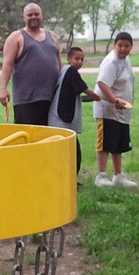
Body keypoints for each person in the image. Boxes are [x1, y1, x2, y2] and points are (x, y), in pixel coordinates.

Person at [0, 2, 61, 125]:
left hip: (52, 98)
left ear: (42, 16)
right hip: (27, 100)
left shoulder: (52, 36)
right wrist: (3, 88)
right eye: (30, 15)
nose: (33, 17)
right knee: (29, 139)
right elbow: (7, 64)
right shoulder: (16, 37)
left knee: (51, 138)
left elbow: (59, 64)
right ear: (24, 18)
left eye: (36, 14)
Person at [93, 32, 137, 187]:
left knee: (118, 143)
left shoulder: (126, 60)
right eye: (120, 45)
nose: (123, 49)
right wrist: (115, 100)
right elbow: (102, 84)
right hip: (107, 109)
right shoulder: (111, 62)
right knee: (106, 143)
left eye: (127, 46)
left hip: (122, 110)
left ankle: (118, 175)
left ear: (131, 46)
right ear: (114, 45)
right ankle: (101, 176)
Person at [48, 47, 101, 178]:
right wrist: (98, 96)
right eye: (76, 59)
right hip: (61, 119)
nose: (79, 62)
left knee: (67, 150)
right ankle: (69, 179)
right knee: (73, 152)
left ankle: (66, 177)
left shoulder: (64, 71)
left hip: (56, 117)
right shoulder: (71, 71)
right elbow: (84, 89)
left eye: (82, 59)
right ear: (69, 59)